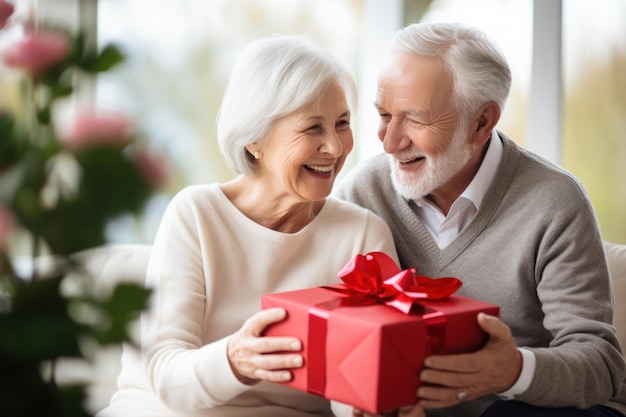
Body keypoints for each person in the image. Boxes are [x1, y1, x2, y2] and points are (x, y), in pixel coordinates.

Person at [97, 35, 399, 417]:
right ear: (255, 139)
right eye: (312, 128)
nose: (336, 148)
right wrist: (234, 359)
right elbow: (166, 375)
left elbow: (354, 384)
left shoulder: (363, 235)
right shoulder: (197, 215)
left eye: (342, 124)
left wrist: (366, 399)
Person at [334, 21, 626, 417]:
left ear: (482, 122)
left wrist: (512, 371)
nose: (389, 141)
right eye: (384, 114)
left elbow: (601, 365)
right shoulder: (364, 191)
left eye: (416, 120)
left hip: (525, 407)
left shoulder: (555, 201)